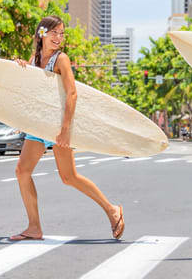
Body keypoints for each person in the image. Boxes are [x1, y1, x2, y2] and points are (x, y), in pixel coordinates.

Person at [10, 15, 124, 241]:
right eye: (54, 33)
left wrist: (65, 129)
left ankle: (112, 210)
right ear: (42, 34)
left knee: (69, 177)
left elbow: (72, 93)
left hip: (58, 124)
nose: (59, 38)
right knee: (22, 171)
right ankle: (34, 227)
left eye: (61, 34)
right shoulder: (34, 58)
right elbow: (29, 89)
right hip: (39, 124)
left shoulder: (61, 59)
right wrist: (21, 68)